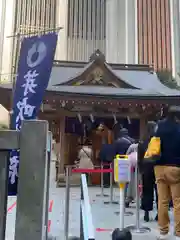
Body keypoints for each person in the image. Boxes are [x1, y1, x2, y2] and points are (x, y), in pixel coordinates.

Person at [153, 106, 180, 239]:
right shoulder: (178, 128)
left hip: (159, 167)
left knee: (162, 200)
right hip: (175, 167)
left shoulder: (159, 126)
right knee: (177, 202)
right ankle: (178, 232)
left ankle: (163, 231)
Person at [138, 121, 158, 222]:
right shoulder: (158, 140)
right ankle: (159, 213)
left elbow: (139, 159)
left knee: (146, 191)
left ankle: (146, 212)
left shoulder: (142, 142)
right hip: (157, 168)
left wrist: (141, 170)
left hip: (146, 169)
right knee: (159, 191)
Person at [113, 128, 135, 206]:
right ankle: (129, 197)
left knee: (121, 180)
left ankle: (123, 196)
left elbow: (114, 153)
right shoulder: (132, 141)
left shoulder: (117, 141)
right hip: (130, 162)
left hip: (119, 162)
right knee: (130, 181)